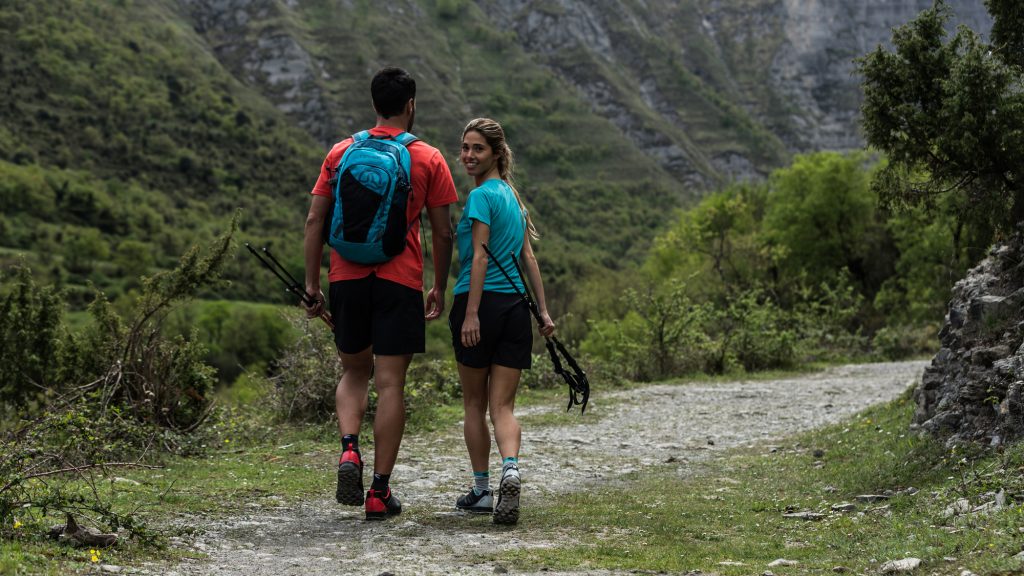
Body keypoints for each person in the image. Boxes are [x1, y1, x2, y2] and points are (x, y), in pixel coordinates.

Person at [302, 67, 457, 521]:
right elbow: (443, 233)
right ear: (411, 105)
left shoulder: (341, 151)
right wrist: (439, 286)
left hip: (346, 276)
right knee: (390, 384)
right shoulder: (428, 157)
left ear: (374, 105)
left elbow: (315, 222)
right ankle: (379, 491)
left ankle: (349, 450)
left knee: (354, 372)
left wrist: (313, 286)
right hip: (398, 279)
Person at [449, 118, 555, 524]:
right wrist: (542, 312)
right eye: (464, 148)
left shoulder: (480, 198)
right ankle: (511, 466)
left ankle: (481, 489)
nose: (468, 156)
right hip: (515, 309)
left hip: (479, 304)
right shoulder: (512, 197)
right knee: (504, 405)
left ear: (495, 153)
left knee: (475, 404)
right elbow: (528, 258)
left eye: (477, 148)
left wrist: (472, 313)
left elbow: (478, 256)